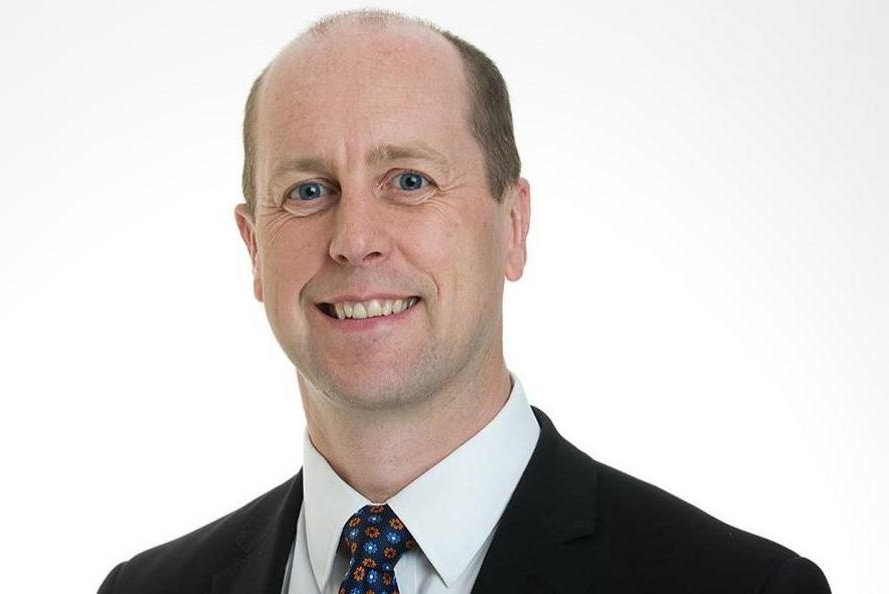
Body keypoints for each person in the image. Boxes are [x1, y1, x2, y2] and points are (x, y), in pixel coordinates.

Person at [98, 10, 831, 594]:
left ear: (512, 226)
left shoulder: (739, 585)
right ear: (253, 247)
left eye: (409, 181)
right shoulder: (144, 588)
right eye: (309, 191)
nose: (355, 240)